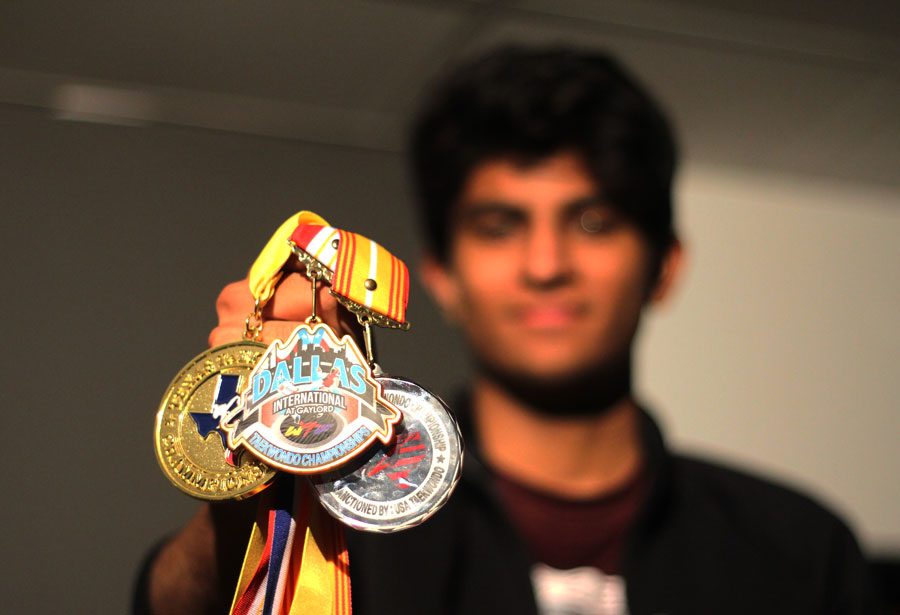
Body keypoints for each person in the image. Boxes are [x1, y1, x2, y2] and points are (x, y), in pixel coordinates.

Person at [137, 46, 873, 614]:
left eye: (593, 221)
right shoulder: (344, 534)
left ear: (665, 266)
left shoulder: (799, 551)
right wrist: (262, 468)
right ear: (443, 276)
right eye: (499, 226)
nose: (546, 264)